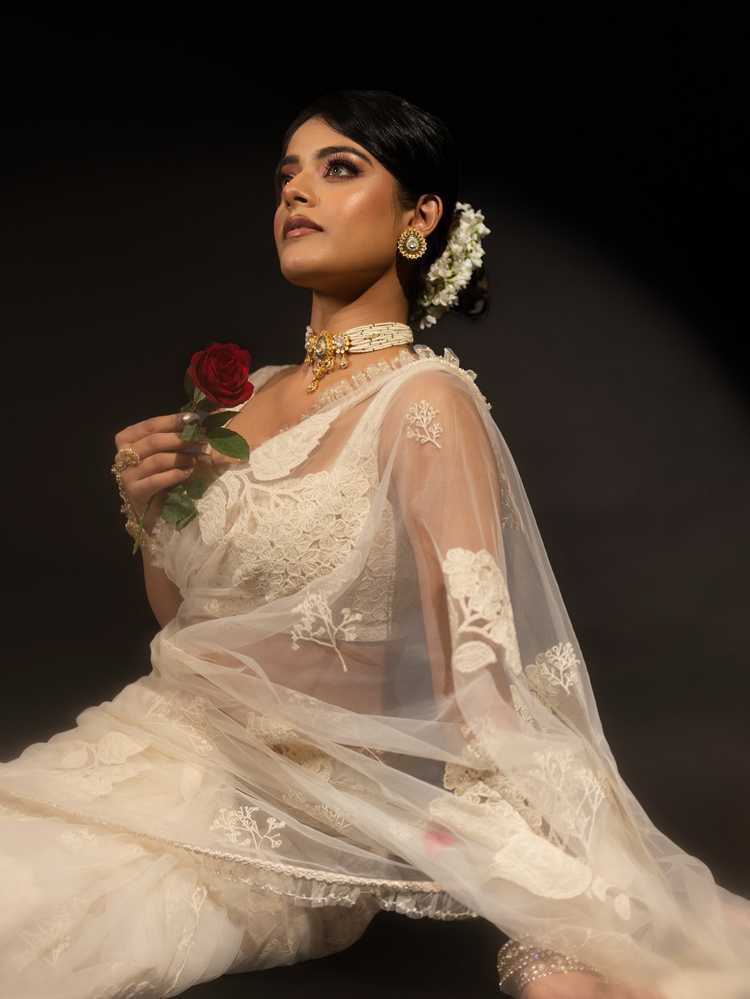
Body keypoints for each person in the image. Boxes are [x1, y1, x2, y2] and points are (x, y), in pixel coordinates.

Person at [1, 89, 748, 999]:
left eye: (340, 168)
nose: (296, 192)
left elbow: (486, 687)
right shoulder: (241, 399)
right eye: (288, 175)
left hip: (275, 822)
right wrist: (147, 510)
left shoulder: (423, 401)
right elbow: (193, 625)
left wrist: (551, 922)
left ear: (419, 217)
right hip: (132, 748)